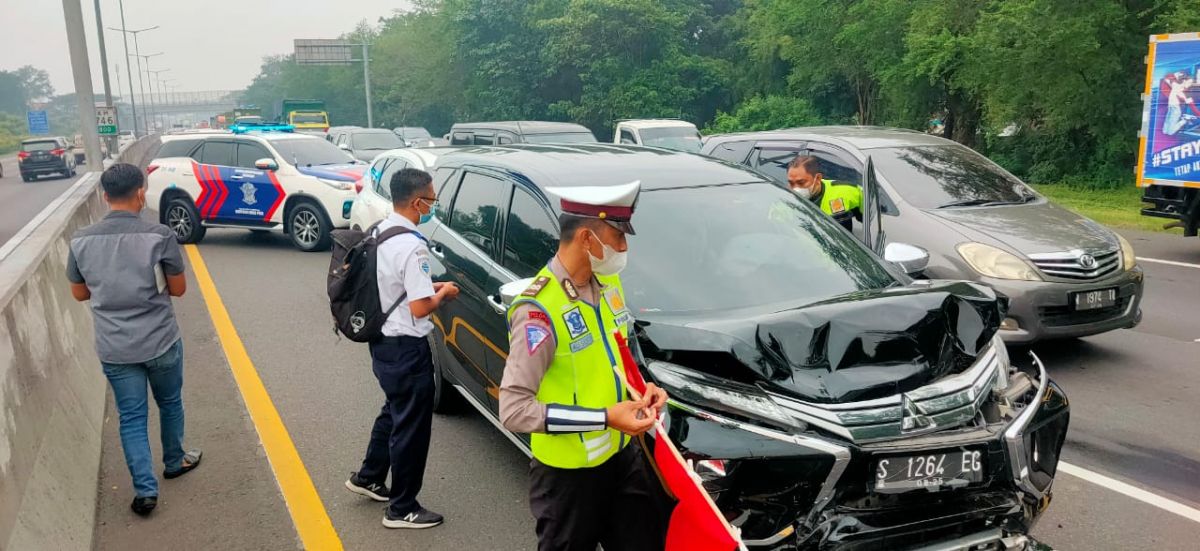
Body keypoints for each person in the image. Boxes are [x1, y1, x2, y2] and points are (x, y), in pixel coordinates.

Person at [499, 180, 671, 551]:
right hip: (568, 478)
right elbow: (513, 410)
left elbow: (617, 352)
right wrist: (605, 417)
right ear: (586, 239)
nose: (624, 248)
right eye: (617, 237)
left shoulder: (608, 283)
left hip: (622, 457)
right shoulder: (538, 311)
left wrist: (644, 387)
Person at [66, 163, 201, 517]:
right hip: (160, 340)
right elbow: (179, 289)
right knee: (170, 402)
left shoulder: (80, 240)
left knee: (131, 417)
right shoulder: (160, 236)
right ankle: (175, 460)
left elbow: (79, 293)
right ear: (141, 193)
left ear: (105, 196)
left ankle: (144, 490)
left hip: (116, 347)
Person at [344, 168, 460, 529]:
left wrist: (429, 284)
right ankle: (402, 508)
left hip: (382, 343)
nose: (433, 206)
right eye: (432, 200)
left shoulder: (381, 230)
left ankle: (369, 477)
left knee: (394, 411)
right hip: (407, 349)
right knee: (411, 427)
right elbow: (420, 306)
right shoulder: (412, 244)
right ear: (417, 202)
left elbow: (393, 283)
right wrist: (444, 292)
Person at [787, 155, 863, 231]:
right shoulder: (783, 200)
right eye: (791, 183)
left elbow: (872, 221)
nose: (795, 188)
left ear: (818, 178)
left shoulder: (847, 191)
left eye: (801, 182)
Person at [1162, 71, 1200, 136]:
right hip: (1170, 107)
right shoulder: (1175, 85)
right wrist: (1177, 74)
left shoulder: (1184, 93)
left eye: (1191, 83)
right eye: (1189, 82)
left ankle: (1185, 120)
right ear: (1184, 81)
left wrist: (1199, 114)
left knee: (1170, 132)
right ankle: (1185, 120)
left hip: (1176, 110)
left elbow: (1192, 106)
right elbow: (1167, 78)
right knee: (1164, 131)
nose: (1190, 84)